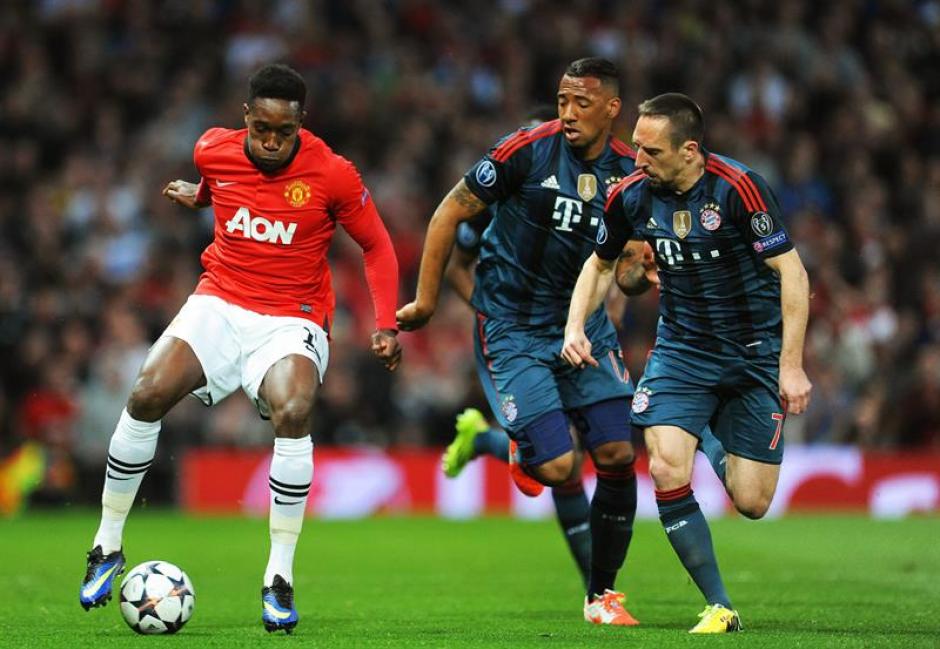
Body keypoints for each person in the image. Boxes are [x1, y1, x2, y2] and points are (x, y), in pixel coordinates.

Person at [78, 63, 402, 634]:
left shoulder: (332, 173)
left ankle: (278, 578)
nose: (273, 141)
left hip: (292, 316)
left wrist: (385, 323)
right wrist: (200, 197)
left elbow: (376, 245)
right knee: (147, 392)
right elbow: (219, 181)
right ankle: (106, 545)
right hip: (221, 301)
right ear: (246, 117)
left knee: (295, 409)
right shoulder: (211, 148)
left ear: (301, 123)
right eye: (263, 129)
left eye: (286, 130)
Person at [398, 58, 642, 626]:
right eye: (561, 100)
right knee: (559, 467)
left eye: (581, 103)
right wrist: (431, 302)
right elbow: (448, 216)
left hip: (584, 327)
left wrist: (637, 276)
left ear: (611, 108)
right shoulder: (522, 152)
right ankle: (519, 436)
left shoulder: (631, 171)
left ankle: (601, 595)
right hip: (512, 328)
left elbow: (628, 261)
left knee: (616, 454)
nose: (568, 113)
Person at [563, 93, 812, 633]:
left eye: (651, 151)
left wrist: (790, 367)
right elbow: (601, 264)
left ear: (690, 150)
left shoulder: (737, 188)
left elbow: (792, 273)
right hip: (682, 351)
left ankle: (713, 437)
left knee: (752, 502)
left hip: (752, 355)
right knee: (665, 464)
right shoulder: (630, 196)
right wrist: (574, 325)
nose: (637, 160)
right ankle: (720, 606)